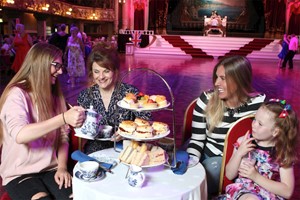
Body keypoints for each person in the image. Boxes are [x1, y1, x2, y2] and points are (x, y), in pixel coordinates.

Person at [0, 42, 86, 199]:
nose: (60, 71)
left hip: (51, 169)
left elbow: (62, 136)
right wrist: (63, 118)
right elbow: (20, 134)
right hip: (20, 173)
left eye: (61, 66)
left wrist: (61, 167)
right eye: (56, 65)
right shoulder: (17, 94)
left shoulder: (54, 95)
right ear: (40, 64)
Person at [187, 55, 266, 196]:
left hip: (241, 161)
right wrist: (190, 165)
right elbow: (197, 140)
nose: (216, 83)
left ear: (239, 80)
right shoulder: (206, 100)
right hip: (209, 156)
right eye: (216, 77)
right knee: (206, 170)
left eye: (223, 78)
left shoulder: (259, 104)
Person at [77, 42, 151, 154]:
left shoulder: (131, 93)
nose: (101, 77)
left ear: (115, 71)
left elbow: (147, 122)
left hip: (126, 150)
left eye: (106, 71)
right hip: (95, 152)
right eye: (96, 72)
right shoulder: (85, 95)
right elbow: (79, 128)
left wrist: (127, 132)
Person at [218, 99, 298, 200]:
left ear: (275, 131)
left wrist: (255, 176)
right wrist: (239, 153)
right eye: (254, 119)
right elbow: (229, 175)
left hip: (270, 195)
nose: (254, 124)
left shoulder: (282, 153)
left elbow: (287, 192)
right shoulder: (243, 141)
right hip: (244, 192)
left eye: (260, 124)